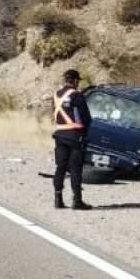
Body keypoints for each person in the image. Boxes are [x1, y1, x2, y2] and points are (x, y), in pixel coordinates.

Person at [52, 69, 93, 211]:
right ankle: (77, 201)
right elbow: (86, 118)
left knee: (60, 167)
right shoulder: (77, 95)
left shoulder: (57, 95)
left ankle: (58, 199)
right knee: (75, 169)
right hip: (75, 136)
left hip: (59, 135)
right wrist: (85, 132)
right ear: (75, 81)